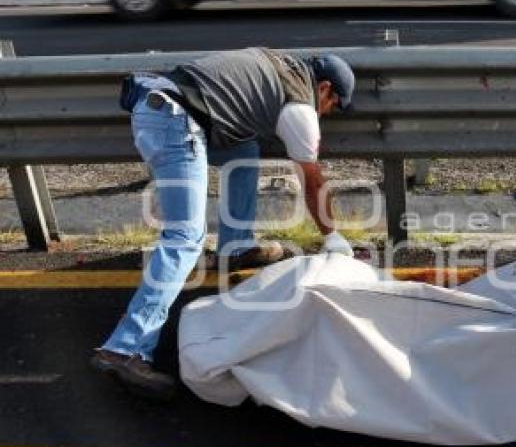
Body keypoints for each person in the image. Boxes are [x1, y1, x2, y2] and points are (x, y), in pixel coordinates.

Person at [90, 47, 356, 400]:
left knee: (244, 151)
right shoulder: (300, 107)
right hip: (175, 121)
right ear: (323, 89)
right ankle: (124, 348)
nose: (330, 113)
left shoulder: (281, 66)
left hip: (167, 110)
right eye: (334, 105)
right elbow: (311, 180)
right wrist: (333, 237)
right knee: (185, 237)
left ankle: (236, 246)